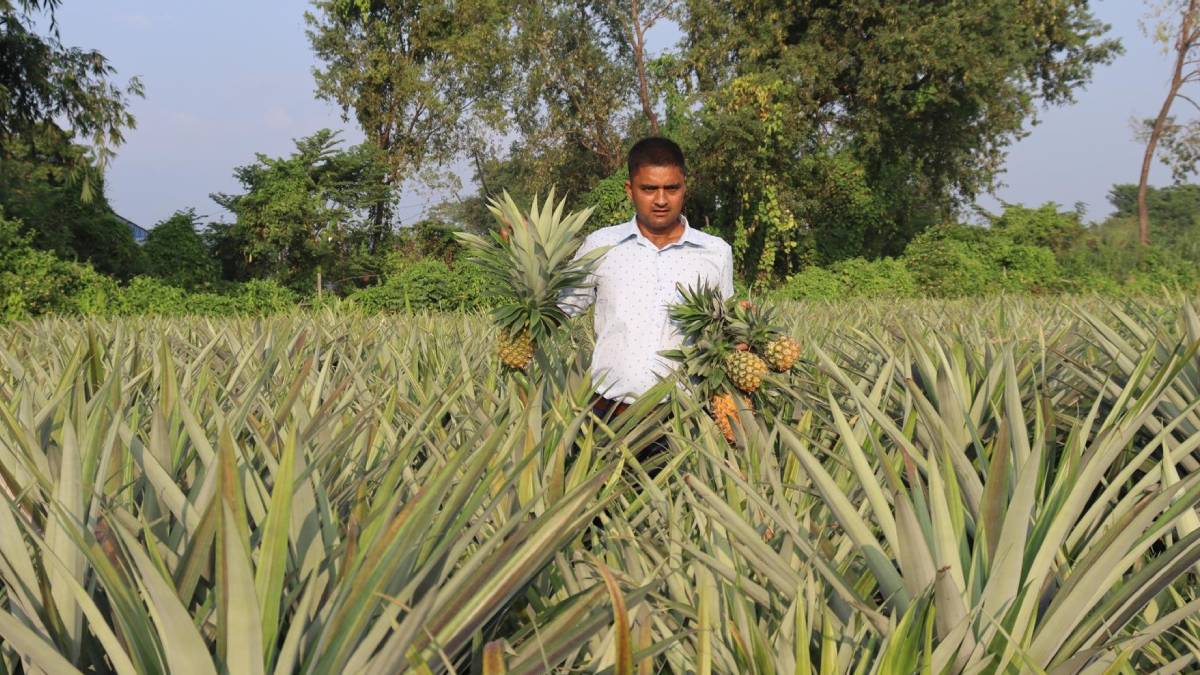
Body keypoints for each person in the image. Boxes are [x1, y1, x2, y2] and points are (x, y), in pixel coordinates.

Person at [560, 137, 735, 425]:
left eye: (672, 188)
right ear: (630, 190)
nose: (662, 200)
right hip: (609, 413)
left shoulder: (715, 252)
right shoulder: (602, 245)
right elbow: (561, 307)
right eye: (649, 189)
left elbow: (722, 331)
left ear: (684, 188)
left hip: (684, 418)